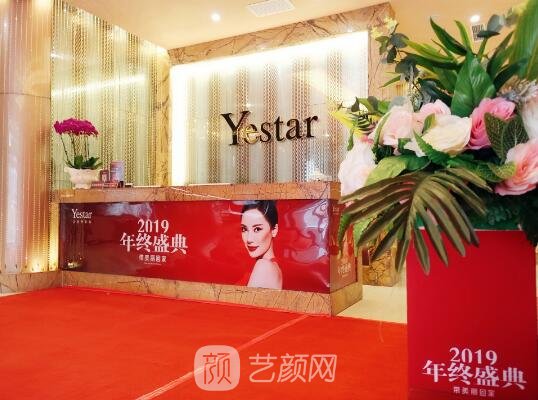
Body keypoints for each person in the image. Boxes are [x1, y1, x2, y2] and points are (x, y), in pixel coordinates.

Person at [240, 200, 282, 290]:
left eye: (257, 229)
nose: (249, 239)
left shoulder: (264, 267)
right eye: (244, 229)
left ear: (274, 230)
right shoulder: (272, 267)